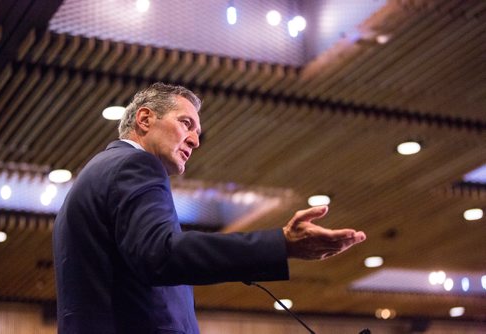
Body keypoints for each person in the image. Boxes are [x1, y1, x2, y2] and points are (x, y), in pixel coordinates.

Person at [53, 82, 366, 334]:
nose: (195, 140)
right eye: (186, 123)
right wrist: (280, 244)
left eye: (197, 132)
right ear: (145, 119)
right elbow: (161, 255)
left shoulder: (98, 173)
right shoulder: (134, 164)